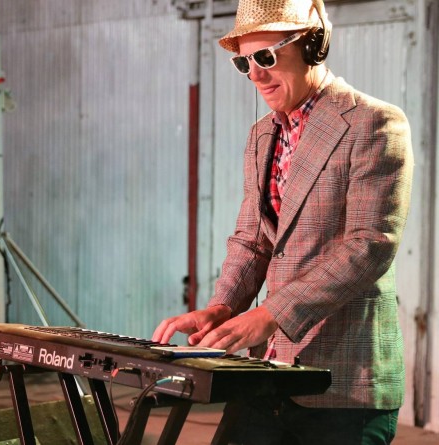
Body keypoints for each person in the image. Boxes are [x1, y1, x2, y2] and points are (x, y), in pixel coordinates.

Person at [152, 0, 413, 443]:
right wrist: (222, 307)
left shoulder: (374, 123)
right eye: (244, 63)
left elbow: (370, 245)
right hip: (268, 372)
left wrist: (272, 313)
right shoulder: (261, 135)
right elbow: (253, 240)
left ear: (312, 45)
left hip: (344, 383)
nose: (255, 74)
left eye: (266, 57)